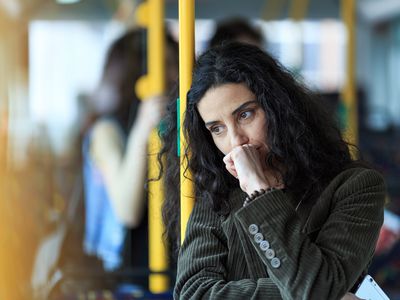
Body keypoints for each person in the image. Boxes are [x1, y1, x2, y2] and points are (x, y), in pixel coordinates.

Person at [159, 43, 386, 299]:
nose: (236, 141)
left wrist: (259, 190)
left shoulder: (356, 186)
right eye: (217, 129)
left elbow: (315, 289)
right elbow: (194, 294)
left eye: (245, 114)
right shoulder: (216, 190)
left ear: (278, 107)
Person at [82, 27, 177, 278]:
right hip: (123, 272)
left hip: (167, 266)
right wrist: (142, 129)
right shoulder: (106, 131)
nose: (174, 74)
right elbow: (127, 211)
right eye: (165, 64)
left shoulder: (173, 125)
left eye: (174, 63)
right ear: (136, 76)